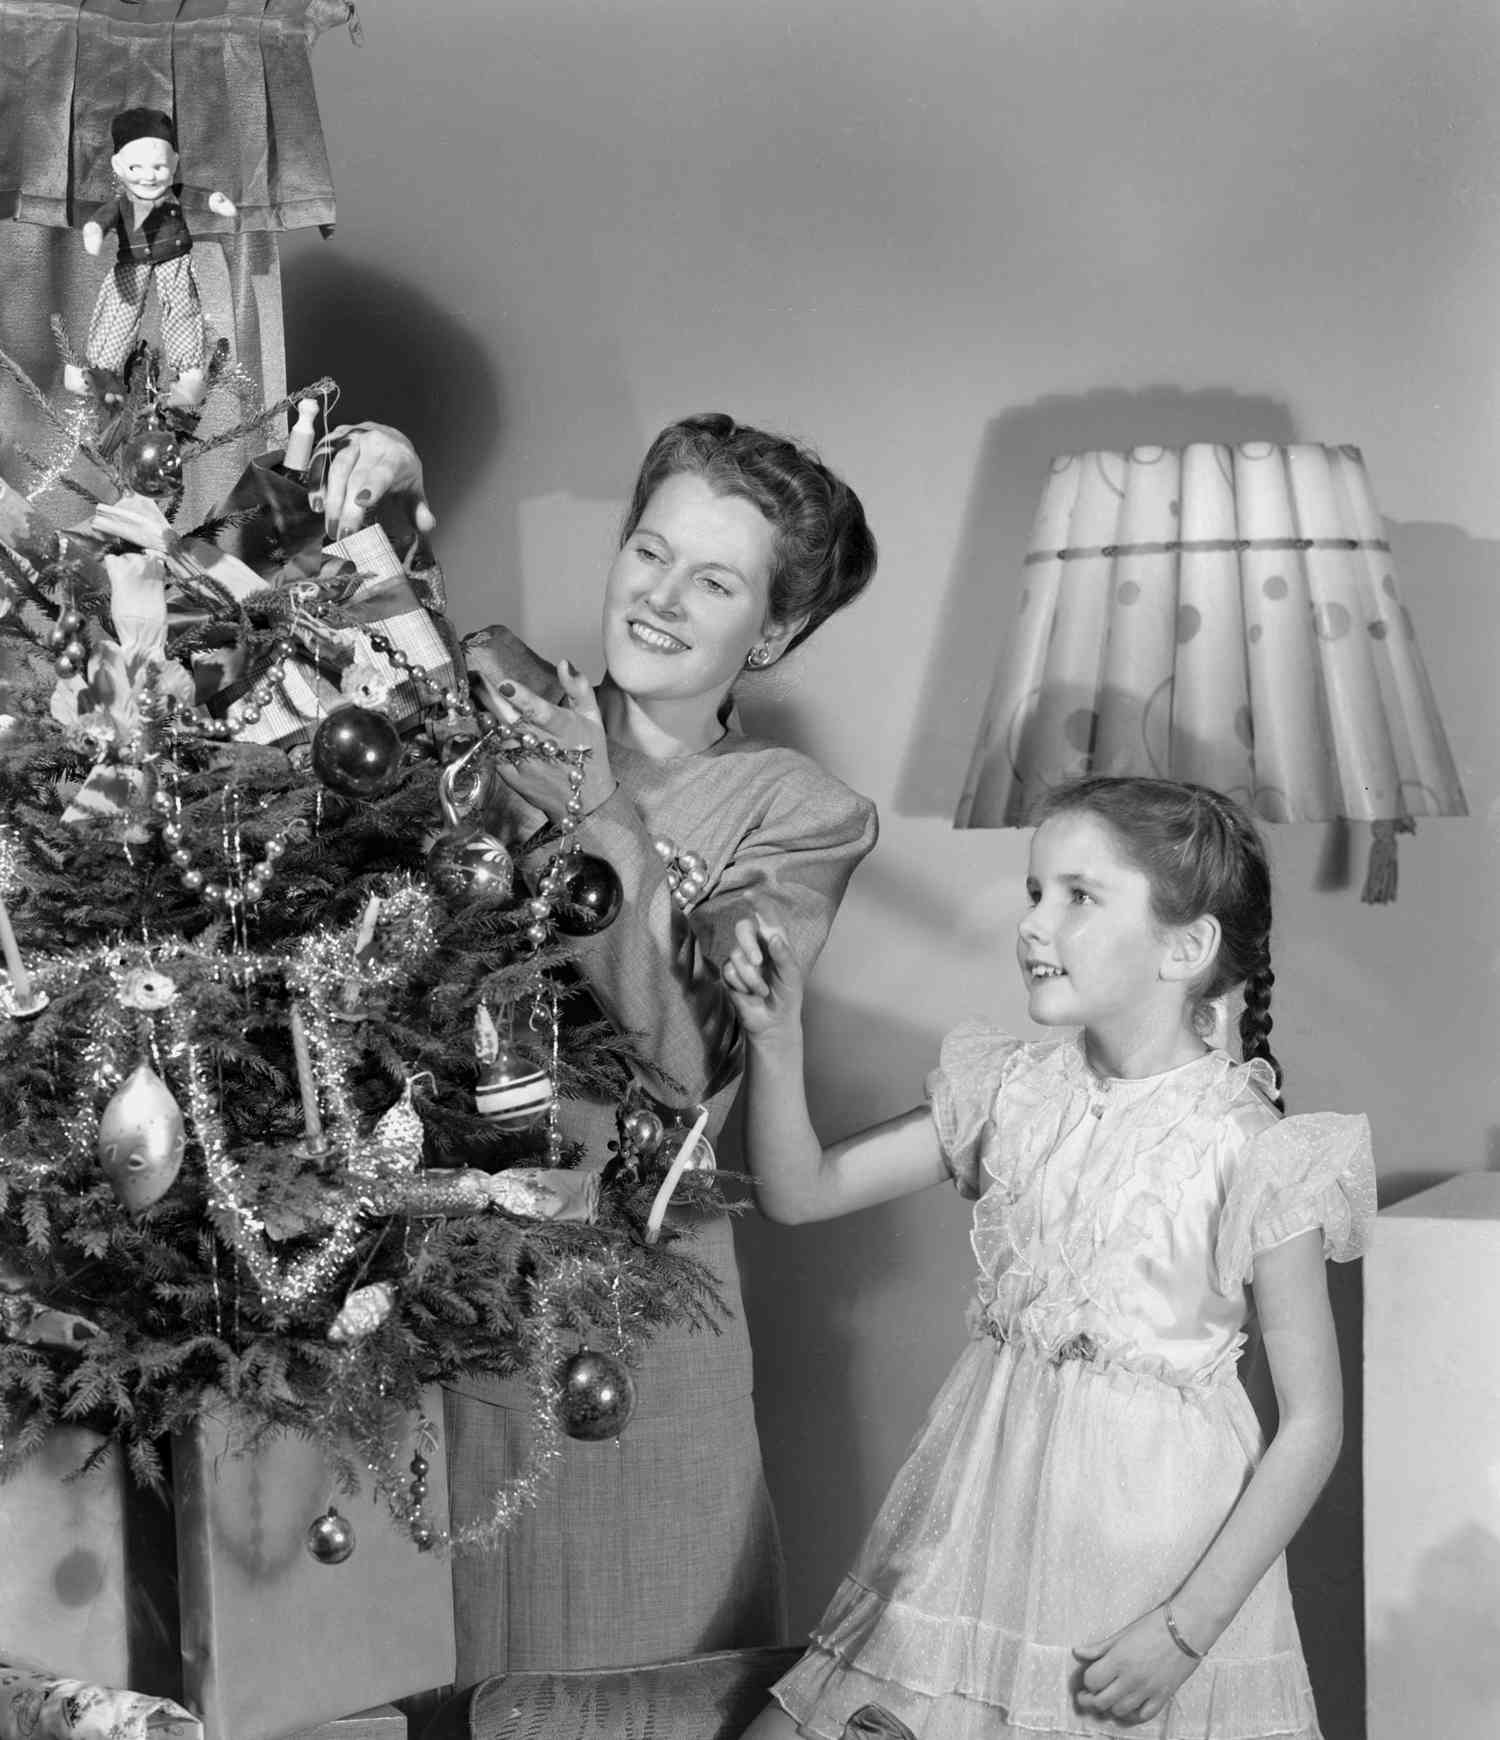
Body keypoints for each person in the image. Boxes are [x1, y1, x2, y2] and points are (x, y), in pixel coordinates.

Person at [318, 412, 879, 1679]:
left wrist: (590, 801)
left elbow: (683, 1050)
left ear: (773, 631)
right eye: (650, 551)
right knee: (463, 1686)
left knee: (635, 1688)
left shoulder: (800, 811)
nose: (662, 599)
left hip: (635, 1324)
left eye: (716, 582)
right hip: (443, 1294)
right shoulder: (497, 699)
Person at [722, 775, 1376, 1739]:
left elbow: (1312, 1423)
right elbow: (798, 1189)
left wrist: (1185, 1632)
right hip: (976, 1534)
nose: (1033, 923)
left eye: (1079, 896)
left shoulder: (1252, 1148)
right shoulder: (1013, 1095)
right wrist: (776, 1040)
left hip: (1148, 1571)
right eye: (1036, 892)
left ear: (1185, 947)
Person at [67, 107, 238, 413]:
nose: (148, 176)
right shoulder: (121, 204)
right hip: (132, 261)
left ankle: (189, 373)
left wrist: (216, 201)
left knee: (183, 306)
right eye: (136, 167)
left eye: (159, 167)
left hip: (175, 256)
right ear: (118, 166)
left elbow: (199, 196)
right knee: (120, 307)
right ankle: (102, 370)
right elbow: (102, 220)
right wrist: (94, 231)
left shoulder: (175, 193)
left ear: (174, 163)